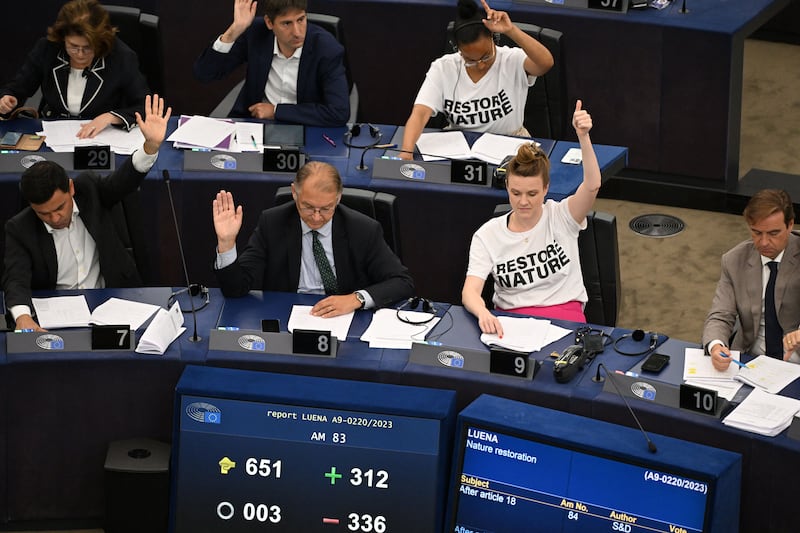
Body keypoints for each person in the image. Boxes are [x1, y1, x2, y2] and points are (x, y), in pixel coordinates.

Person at [2, 94, 171, 332]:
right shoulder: (19, 228)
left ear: (70, 188)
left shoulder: (90, 190)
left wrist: (150, 146)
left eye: (59, 207)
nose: (55, 218)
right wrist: (22, 317)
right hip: (58, 315)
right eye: (44, 213)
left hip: (112, 300)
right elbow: (15, 279)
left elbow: (124, 181)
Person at [461, 100, 600, 335]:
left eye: (532, 193)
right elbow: (470, 292)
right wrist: (483, 312)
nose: (523, 201)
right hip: (510, 320)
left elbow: (593, 185)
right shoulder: (487, 234)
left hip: (564, 315)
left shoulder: (562, 216)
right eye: (516, 193)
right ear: (507, 187)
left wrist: (583, 137)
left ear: (546, 189)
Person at [212, 161, 414, 317]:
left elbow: (402, 282)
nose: (316, 217)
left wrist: (356, 299)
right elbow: (235, 289)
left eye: (326, 209)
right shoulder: (272, 223)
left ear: (338, 198)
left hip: (344, 319)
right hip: (286, 316)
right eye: (308, 207)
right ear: (294, 193)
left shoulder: (363, 229)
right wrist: (226, 243)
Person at [399, 0, 553, 160]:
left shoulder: (512, 59)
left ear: (493, 38)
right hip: (458, 147)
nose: (480, 65)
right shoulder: (443, 68)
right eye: (470, 60)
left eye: (486, 56)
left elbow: (546, 63)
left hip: (510, 144)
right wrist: (406, 151)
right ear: (458, 50)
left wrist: (511, 30)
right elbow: (420, 113)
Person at [0, 0, 150, 138]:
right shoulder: (47, 49)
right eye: (73, 46)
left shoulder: (121, 57)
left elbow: (145, 106)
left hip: (102, 136)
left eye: (87, 47)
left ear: (100, 42)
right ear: (63, 38)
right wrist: (7, 99)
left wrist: (110, 117)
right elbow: (16, 89)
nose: (79, 54)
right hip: (54, 133)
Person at [194, 0, 350, 126]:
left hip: (307, 127)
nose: (297, 32)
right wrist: (234, 31)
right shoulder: (256, 34)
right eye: (287, 23)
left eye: (301, 20)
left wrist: (276, 111)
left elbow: (339, 112)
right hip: (255, 125)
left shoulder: (326, 48)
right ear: (269, 23)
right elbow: (205, 74)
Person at [703, 189, 800, 369]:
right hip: (750, 360)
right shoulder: (734, 260)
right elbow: (720, 316)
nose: (763, 242)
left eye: (773, 233)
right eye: (756, 233)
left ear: (790, 225)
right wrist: (715, 346)